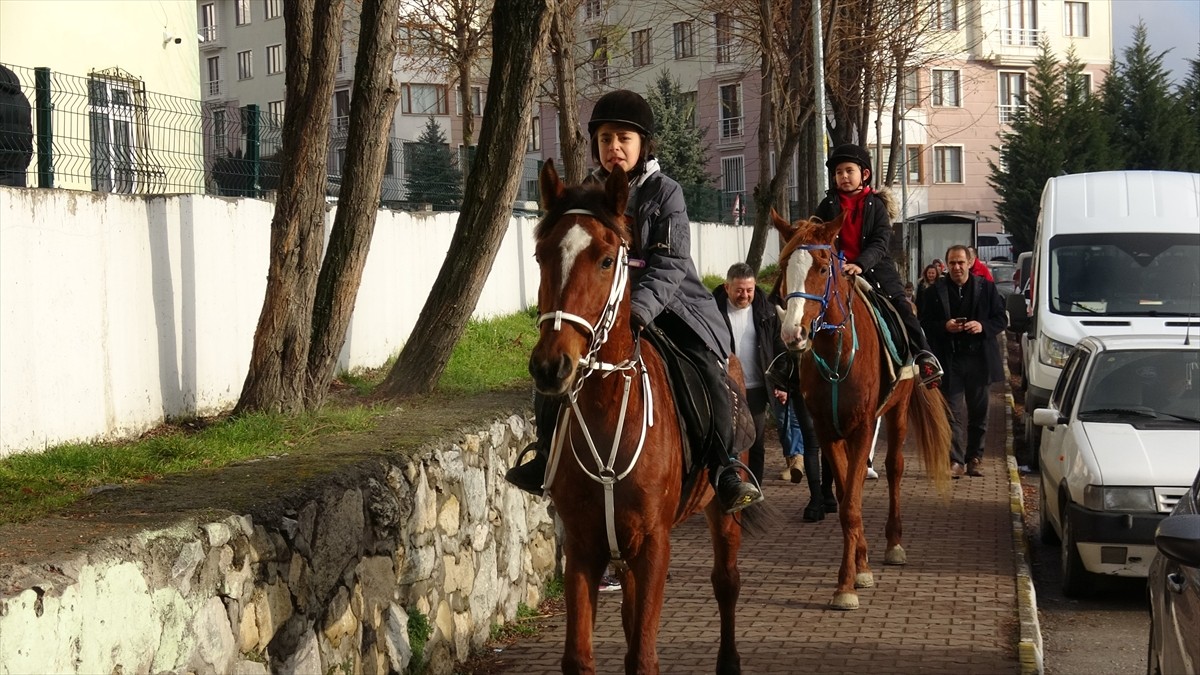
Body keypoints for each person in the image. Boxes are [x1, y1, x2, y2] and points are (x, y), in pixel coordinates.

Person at [506, 89, 763, 513]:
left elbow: (671, 263)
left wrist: (639, 310)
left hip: (671, 306)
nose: (614, 147)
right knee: (555, 372)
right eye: (606, 139)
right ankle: (544, 455)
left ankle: (725, 467)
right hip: (605, 312)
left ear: (643, 144)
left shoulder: (667, 193)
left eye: (624, 138)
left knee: (707, 369)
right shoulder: (585, 196)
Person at [815, 144, 942, 386]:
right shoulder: (827, 205)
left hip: (874, 271)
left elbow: (880, 242)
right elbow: (817, 236)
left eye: (848, 170)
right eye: (838, 172)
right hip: (834, 273)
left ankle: (925, 358)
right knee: (802, 305)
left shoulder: (877, 205)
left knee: (901, 307)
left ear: (864, 174)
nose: (843, 176)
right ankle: (787, 365)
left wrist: (860, 265)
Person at [918, 244, 1007, 478]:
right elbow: (923, 323)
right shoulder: (934, 291)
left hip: (979, 359)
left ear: (969, 263)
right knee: (952, 412)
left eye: (960, 262)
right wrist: (944, 327)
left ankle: (975, 458)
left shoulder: (986, 288)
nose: (957, 267)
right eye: (952, 263)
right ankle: (955, 461)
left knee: (979, 412)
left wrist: (983, 326)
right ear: (946, 266)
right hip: (950, 359)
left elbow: (1000, 318)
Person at [713, 262, 792, 484]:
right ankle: (727, 487)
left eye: (749, 290)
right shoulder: (713, 312)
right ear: (726, 287)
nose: (744, 295)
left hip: (756, 388)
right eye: (739, 290)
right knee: (726, 440)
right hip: (723, 386)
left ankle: (754, 490)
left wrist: (781, 384)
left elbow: (780, 352)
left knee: (755, 443)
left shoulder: (766, 313)